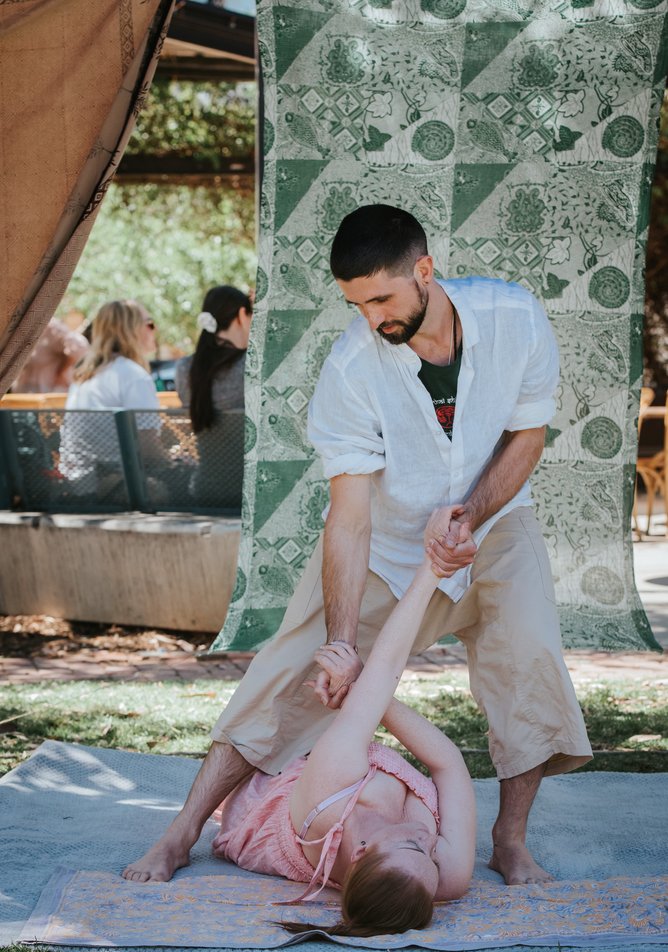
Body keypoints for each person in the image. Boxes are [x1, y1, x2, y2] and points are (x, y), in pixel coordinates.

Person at [123, 204, 592, 889]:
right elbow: (348, 518)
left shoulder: (516, 319)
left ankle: (510, 842)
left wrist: (469, 516)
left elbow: (527, 437)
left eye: (381, 297)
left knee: (530, 661)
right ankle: (181, 831)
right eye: (356, 303)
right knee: (287, 677)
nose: (372, 318)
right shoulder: (350, 369)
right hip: (388, 539)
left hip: (496, 521)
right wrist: (342, 644)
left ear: (424, 271)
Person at [211, 552, 475, 936]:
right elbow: (449, 762)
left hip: (277, 801)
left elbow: (383, 676)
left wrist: (432, 569)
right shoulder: (445, 879)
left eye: (416, 848)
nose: (429, 841)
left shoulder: (332, 791)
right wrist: (363, 684)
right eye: (432, 861)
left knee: (282, 722)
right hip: (340, 783)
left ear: (362, 852)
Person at [59, 299, 162, 494]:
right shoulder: (133, 375)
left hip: (77, 487)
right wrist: (175, 461)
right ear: (131, 330)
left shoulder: (84, 376)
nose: (154, 330)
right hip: (113, 489)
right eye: (149, 324)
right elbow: (148, 450)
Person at [175, 286, 252, 426]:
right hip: (245, 448)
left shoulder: (184, 368)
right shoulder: (251, 366)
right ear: (242, 315)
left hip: (206, 448)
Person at [12, 317, 88, 393]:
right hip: (26, 383)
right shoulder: (21, 325)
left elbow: (79, 347)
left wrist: (61, 372)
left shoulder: (52, 327)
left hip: (47, 386)